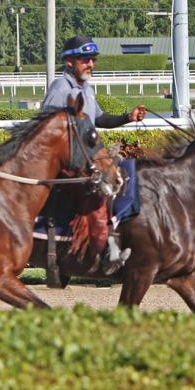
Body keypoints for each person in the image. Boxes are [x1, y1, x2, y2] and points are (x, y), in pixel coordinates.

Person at [42, 35, 146, 272]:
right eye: (84, 59)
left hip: (86, 158)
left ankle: (114, 239)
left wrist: (126, 118)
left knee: (126, 173)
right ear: (69, 62)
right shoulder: (61, 88)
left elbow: (99, 118)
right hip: (65, 162)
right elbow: (47, 127)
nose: (90, 64)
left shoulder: (85, 89)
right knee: (104, 184)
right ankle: (103, 249)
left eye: (92, 60)